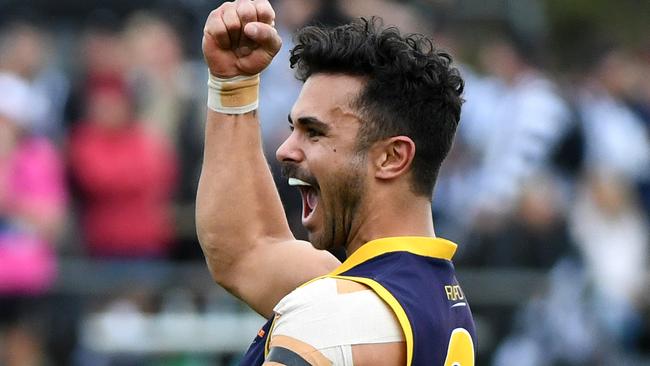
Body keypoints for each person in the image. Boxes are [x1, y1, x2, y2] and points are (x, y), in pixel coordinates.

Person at [196, 0, 476, 365]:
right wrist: (232, 86)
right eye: (294, 128)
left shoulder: (339, 322)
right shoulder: (424, 290)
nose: (284, 149)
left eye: (313, 133)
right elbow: (247, 251)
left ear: (392, 157)